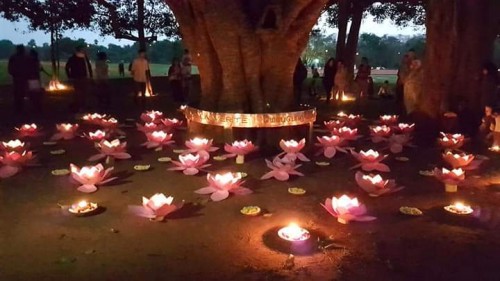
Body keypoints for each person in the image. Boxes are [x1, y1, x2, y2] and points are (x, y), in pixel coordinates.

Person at [65, 45, 93, 113]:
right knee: (78, 93)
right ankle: (78, 106)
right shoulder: (74, 58)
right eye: (83, 49)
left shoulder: (84, 57)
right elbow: (67, 67)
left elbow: (88, 67)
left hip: (84, 77)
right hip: (77, 78)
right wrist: (70, 76)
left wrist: (90, 75)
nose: (85, 50)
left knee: (83, 92)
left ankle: (82, 106)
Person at [26, 49, 49, 115]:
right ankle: (38, 108)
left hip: (31, 79)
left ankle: (36, 108)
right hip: (36, 79)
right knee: (37, 95)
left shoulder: (29, 61)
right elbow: (41, 69)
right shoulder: (36, 61)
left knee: (33, 94)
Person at [7, 45, 29, 114]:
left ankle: (18, 107)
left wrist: (12, 73)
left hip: (17, 77)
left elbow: (10, 68)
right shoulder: (25, 57)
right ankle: (20, 107)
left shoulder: (13, 57)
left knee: (18, 92)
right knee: (21, 92)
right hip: (21, 77)